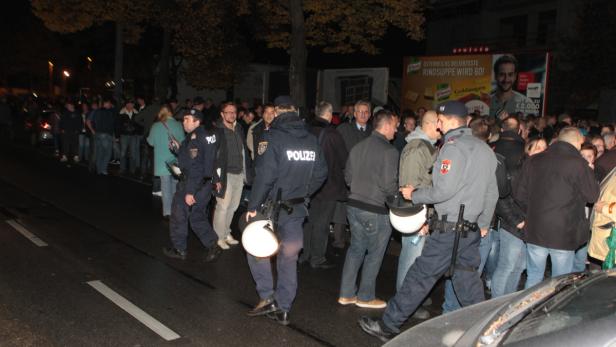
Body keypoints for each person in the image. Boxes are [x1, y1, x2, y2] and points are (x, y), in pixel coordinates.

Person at [358, 101, 498, 342]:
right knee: (469, 283)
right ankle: (489, 333)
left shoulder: (452, 148)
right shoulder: (485, 150)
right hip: (470, 230)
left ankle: (388, 325)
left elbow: (443, 191)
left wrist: (415, 194)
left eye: (440, 122)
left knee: (420, 277)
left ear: (447, 121)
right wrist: (484, 222)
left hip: (448, 231)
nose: (439, 126)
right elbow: (492, 192)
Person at [244, 103, 327, 326]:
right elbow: (321, 173)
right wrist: (304, 193)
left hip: (270, 206)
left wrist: (253, 205)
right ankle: (284, 307)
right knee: (289, 257)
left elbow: (265, 176)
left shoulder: (274, 137)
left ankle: (267, 296)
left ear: (279, 113)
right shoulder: (311, 139)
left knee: (256, 249)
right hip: (296, 208)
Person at [515, 127, 599, 289]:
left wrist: (533, 212)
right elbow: (592, 196)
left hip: (535, 229)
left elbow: (519, 195)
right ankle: (553, 312)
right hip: (563, 232)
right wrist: (590, 171)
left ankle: (527, 311)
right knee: (559, 282)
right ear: (576, 142)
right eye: (581, 144)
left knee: (533, 277)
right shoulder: (579, 164)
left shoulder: (534, 160)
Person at [338, 109, 399, 309]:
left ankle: (346, 294)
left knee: (355, 249)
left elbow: (347, 177)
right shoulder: (389, 151)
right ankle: (365, 297)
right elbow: (389, 186)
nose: (396, 131)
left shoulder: (358, 147)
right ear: (387, 124)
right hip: (375, 209)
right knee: (374, 254)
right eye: (395, 126)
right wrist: (397, 206)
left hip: (353, 206)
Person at [395, 110, 440, 319]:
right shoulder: (417, 149)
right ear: (429, 125)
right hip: (415, 213)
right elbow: (410, 188)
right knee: (410, 258)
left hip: (422, 212)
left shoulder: (425, 147)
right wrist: (421, 218)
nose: (441, 128)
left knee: (417, 258)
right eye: (438, 124)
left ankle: (412, 296)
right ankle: (405, 302)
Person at [163, 109, 222, 262]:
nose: (184, 122)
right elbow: (209, 159)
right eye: (183, 119)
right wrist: (179, 149)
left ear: (197, 121)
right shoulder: (209, 134)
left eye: (187, 119)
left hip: (192, 184)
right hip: (205, 184)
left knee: (178, 216)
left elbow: (195, 166)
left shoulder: (194, 138)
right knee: (197, 216)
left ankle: (179, 249)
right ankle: (213, 244)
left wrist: (190, 192)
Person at [300, 101, 348, 269]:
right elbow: (344, 160)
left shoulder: (305, 131)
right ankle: (317, 257)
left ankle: (304, 254)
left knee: (308, 220)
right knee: (322, 223)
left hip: (308, 184)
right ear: (329, 114)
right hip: (329, 185)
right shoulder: (332, 134)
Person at [213, 102, 253, 250]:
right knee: (222, 206)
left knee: (233, 206)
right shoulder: (217, 130)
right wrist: (216, 178)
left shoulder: (239, 128)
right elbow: (213, 155)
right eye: (228, 112)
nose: (231, 114)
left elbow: (244, 151)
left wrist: (246, 171)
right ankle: (218, 237)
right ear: (222, 114)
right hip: (224, 174)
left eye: (234, 112)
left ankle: (225, 232)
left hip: (238, 173)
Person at [147, 105, 185, 219]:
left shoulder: (156, 126)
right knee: (175, 184)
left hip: (162, 161)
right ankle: (175, 208)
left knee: (165, 185)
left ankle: (167, 212)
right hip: (175, 160)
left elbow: (150, 142)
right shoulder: (178, 125)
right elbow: (182, 142)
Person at [116, 100, 142, 175]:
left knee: (133, 153)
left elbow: (140, 124)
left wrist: (137, 130)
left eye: (132, 104)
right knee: (123, 153)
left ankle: (132, 169)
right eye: (129, 104)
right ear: (126, 105)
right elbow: (118, 125)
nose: (130, 105)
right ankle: (122, 168)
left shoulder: (136, 113)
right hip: (124, 135)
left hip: (133, 135)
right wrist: (117, 136)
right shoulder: (121, 113)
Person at [90, 99, 116, 175]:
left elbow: (93, 121)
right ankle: (103, 169)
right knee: (107, 153)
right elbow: (112, 124)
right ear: (106, 104)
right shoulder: (109, 112)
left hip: (98, 134)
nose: (110, 105)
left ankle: (99, 169)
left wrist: (94, 131)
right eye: (109, 104)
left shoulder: (97, 111)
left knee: (100, 152)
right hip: (106, 134)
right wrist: (112, 136)